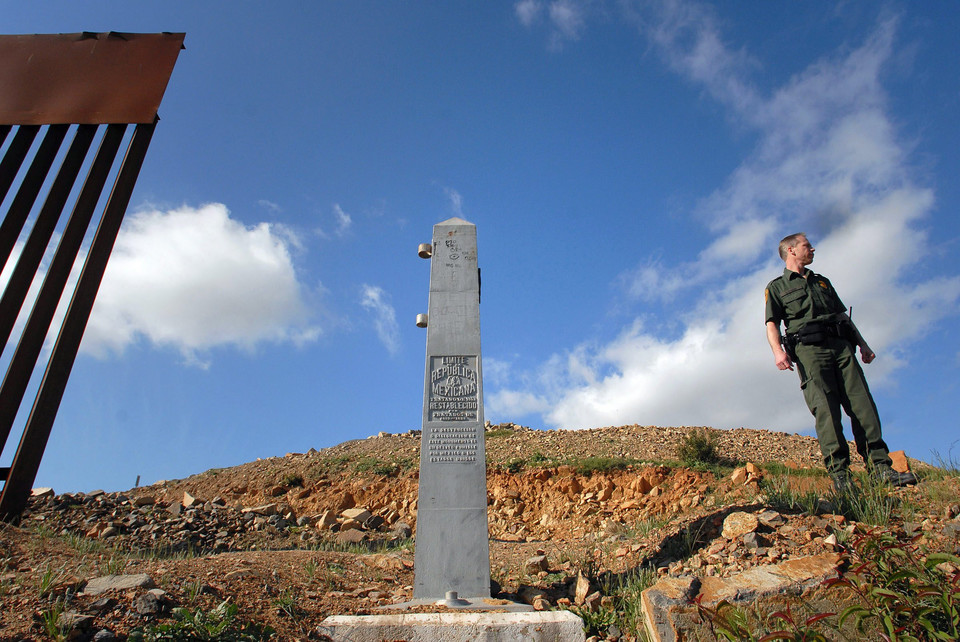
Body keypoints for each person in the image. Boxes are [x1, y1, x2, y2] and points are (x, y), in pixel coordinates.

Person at [764, 233, 916, 491]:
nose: (812, 249)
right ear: (791, 250)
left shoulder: (822, 282)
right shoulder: (777, 287)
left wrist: (863, 344)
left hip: (842, 348)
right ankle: (841, 476)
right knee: (826, 410)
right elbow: (771, 323)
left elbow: (843, 316)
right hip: (810, 352)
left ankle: (880, 467)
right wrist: (778, 352)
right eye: (806, 246)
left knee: (863, 405)